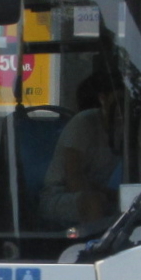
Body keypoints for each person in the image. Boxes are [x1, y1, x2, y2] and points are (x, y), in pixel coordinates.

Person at [41, 71, 122, 222]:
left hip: (98, 193)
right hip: (59, 195)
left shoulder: (124, 128)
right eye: (117, 102)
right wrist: (103, 197)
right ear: (103, 99)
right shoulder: (83, 123)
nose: (121, 109)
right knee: (93, 203)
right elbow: (73, 179)